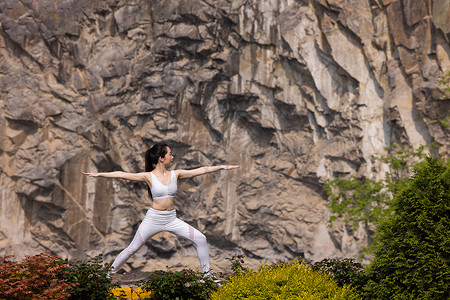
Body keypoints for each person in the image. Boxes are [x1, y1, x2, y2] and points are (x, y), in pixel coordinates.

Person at [83, 143, 239, 275]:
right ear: (161, 158)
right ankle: (109, 275)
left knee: (201, 239)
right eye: (170, 154)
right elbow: (122, 174)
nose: (172, 157)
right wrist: (99, 175)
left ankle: (207, 276)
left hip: (171, 219)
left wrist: (223, 167)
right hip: (153, 219)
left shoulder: (176, 174)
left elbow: (202, 170)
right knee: (132, 248)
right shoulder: (148, 176)